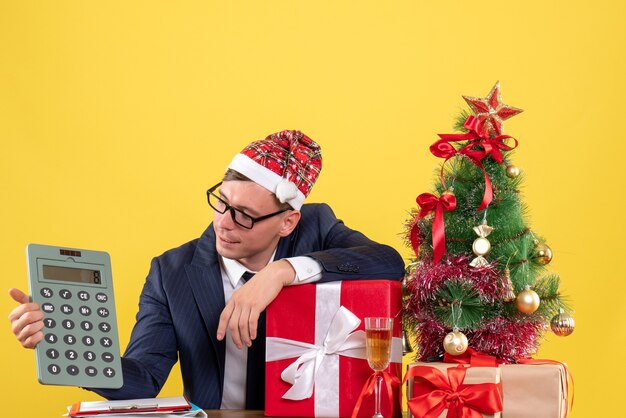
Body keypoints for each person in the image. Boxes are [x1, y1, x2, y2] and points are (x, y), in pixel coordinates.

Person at [8, 130, 404, 409]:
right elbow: (144, 378)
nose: (224, 223)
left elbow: (387, 262)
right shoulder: (172, 271)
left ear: (287, 222)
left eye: (246, 215)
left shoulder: (314, 229)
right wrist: (71, 345)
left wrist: (281, 272)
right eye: (222, 202)